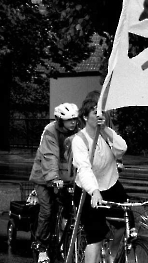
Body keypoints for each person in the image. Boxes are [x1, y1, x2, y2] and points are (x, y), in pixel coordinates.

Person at [71, 98, 132, 263]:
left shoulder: (104, 134)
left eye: (101, 111)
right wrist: (94, 191)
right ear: (85, 117)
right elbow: (84, 169)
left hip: (110, 184)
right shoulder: (79, 140)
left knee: (126, 222)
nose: (99, 115)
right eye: (94, 112)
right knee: (96, 235)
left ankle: (111, 254)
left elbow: (122, 148)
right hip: (88, 190)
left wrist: (105, 129)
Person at [29, 103, 79, 263]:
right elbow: (50, 156)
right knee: (48, 210)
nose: (73, 122)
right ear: (60, 120)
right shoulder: (50, 131)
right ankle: (41, 247)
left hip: (64, 178)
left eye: (75, 119)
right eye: (69, 120)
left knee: (72, 208)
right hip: (44, 177)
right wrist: (53, 178)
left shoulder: (78, 132)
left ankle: (66, 241)